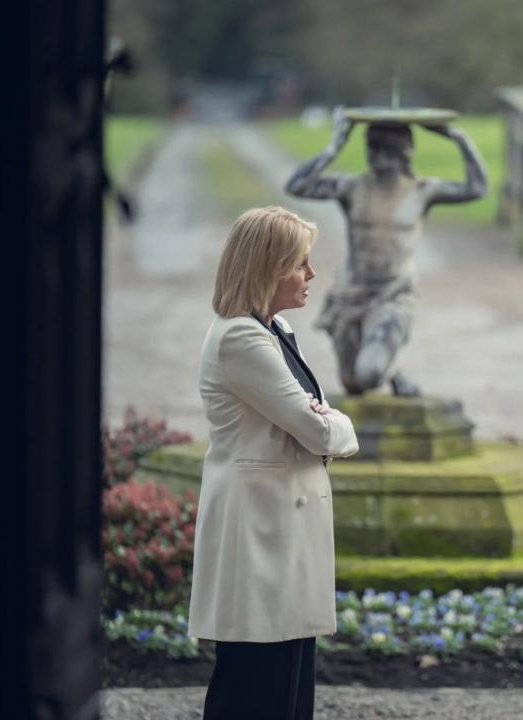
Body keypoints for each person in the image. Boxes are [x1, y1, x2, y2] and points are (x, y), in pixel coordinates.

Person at [187, 206, 360, 720]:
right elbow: (317, 427)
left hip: (281, 532)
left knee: (284, 682)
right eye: (300, 264)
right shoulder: (241, 339)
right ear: (267, 268)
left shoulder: (275, 329)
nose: (311, 275)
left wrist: (325, 422)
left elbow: (314, 419)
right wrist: (334, 425)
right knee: (256, 689)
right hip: (259, 535)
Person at [284, 106, 488, 397]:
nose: (378, 155)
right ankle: (394, 373)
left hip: (393, 294)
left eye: (387, 148)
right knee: (352, 383)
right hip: (350, 296)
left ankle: (387, 368)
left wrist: (458, 138)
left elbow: (477, 188)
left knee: (369, 374)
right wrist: (334, 147)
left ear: (405, 151)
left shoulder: (422, 191)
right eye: (373, 147)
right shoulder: (353, 187)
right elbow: (297, 186)